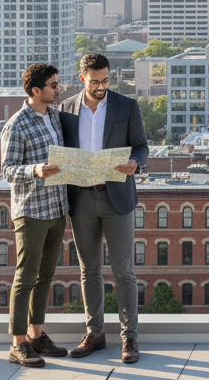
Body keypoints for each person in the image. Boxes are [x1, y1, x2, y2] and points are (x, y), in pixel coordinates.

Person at [60, 52, 148, 364]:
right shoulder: (65, 109)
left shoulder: (126, 106)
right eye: (95, 81)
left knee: (124, 270)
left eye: (106, 81)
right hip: (81, 198)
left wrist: (136, 163)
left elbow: (141, 145)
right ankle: (95, 333)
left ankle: (129, 338)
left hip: (117, 196)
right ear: (82, 78)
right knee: (89, 269)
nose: (101, 87)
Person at [0, 63, 71, 367]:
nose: (59, 89)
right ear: (36, 90)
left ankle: (36, 336)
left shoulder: (55, 116)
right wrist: (34, 170)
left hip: (57, 208)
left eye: (58, 83)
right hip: (31, 211)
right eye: (53, 85)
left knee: (45, 276)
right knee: (25, 277)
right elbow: (7, 170)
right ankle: (17, 344)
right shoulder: (16, 124)